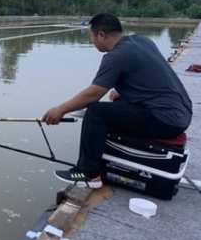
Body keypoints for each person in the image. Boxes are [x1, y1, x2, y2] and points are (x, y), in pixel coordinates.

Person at [42, 13, 192, 188]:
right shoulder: (142, 41)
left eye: (92, 37)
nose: (92, 42)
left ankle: (88, 173)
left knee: (96, 112)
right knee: (113, 104)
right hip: (182, 113)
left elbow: (94, 94)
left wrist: (60, 110)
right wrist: (123, 94)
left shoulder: (116, 56)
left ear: (101, 35)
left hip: (165, 119)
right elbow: (149, 78)